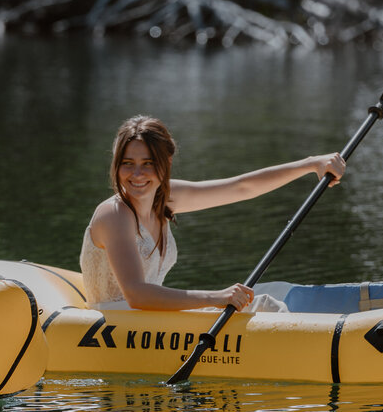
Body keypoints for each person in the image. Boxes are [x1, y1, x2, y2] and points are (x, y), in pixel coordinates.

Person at [80, 115, 346, 312]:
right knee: (263, 306)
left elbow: (242, 187)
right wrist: (216, 297)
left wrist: (310, 164)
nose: (137, 174)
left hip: (149, 320)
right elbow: (137, 295)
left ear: (166, 163)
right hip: (118, 324)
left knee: (264, 296)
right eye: (128, 164)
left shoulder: (165, 200)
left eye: (147, 164)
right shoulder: (114, 214)